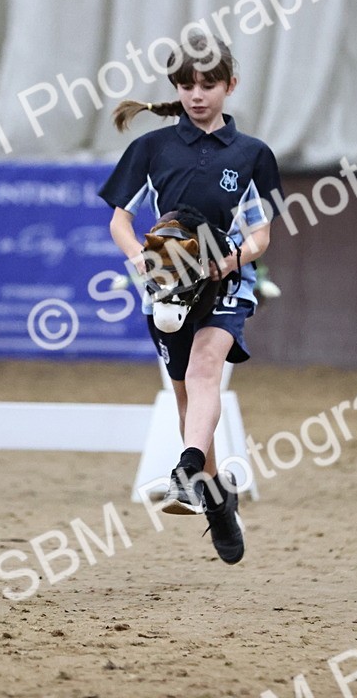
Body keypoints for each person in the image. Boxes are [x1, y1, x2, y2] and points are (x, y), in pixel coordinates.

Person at [99, 35, 283, 565]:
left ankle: (185, 470)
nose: (197, 94)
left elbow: (261, 235)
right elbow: (120, 221)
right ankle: (216, 498)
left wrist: (228, 262)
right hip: (166, 287)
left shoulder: (253, 155)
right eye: (186, 85)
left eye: (208, 84)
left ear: (231, 85)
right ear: (175, 88)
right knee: (187, 399)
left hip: (225, 283)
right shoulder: (152, 149)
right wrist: (142, 260)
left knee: (206, 373)